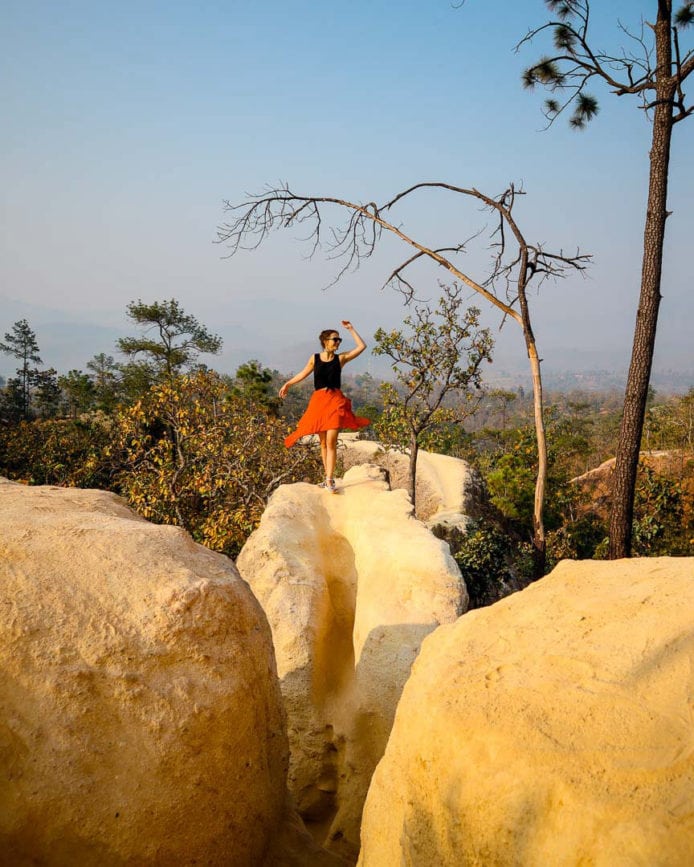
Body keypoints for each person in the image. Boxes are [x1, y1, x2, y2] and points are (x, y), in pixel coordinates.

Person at [279, 320, 370, 493]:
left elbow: (361, 346)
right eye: (334, 339)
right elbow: (303, 373)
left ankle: (330, 480)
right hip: (319, 402)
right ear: (325, 341)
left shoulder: (340, 359)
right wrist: (288, 384)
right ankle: (326, 477)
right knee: (322, 443)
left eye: (339, 340)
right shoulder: (314, 359)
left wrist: (351, 329)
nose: (337, 342)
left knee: (331, 441)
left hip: (335, 401)